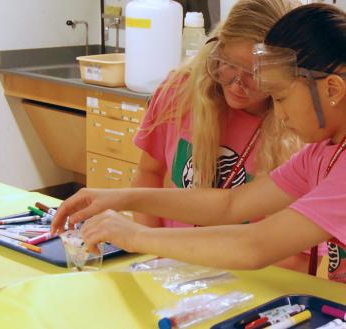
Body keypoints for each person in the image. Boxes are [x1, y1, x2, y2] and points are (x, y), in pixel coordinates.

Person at [52, 3, 346, 325]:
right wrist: (119, 196)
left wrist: (135, 234)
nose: (277, 114)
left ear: (332, 89)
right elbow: (231, 205)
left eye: (280, 98)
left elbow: (254, 244)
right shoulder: (330, 148)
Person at [130, 0, 316, 272]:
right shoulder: (180, 91)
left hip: (248, 285)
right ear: (216, 49)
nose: (237, 84)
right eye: (228, 64)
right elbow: (148, 174)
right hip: (172, 270)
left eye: (255, 74)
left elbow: (297, 255)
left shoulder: (299, 129)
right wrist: (153, 256)